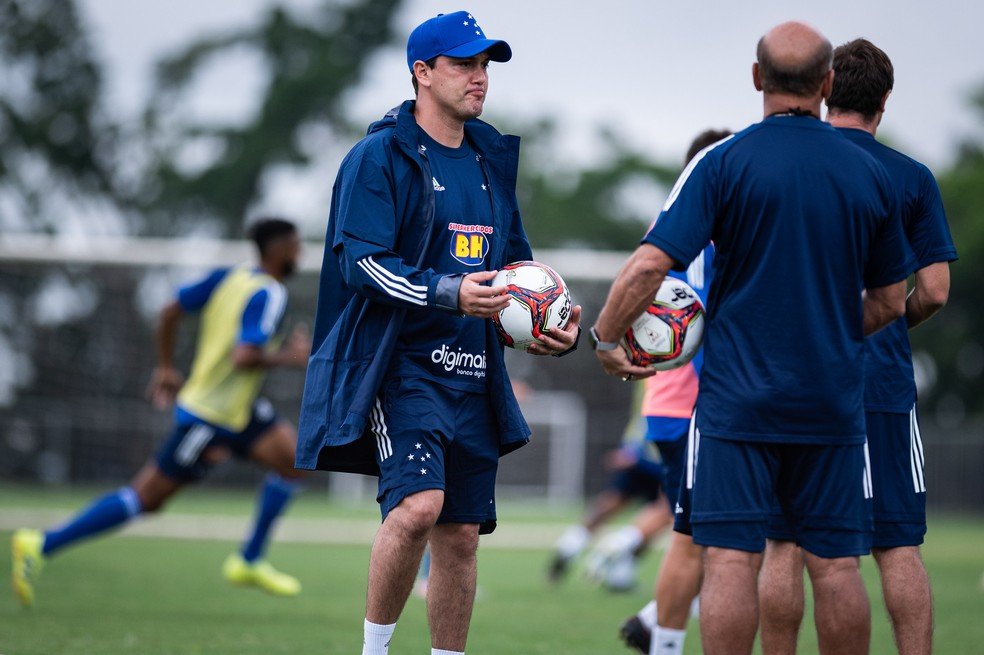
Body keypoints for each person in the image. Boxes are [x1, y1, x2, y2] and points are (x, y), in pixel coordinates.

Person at [591, 20, 914, 655]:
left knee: (733, 561)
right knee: (837, 566)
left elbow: (650, 266)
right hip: (831, 401)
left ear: (757, 78)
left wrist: (606, 339)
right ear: (826, 83)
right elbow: (893, 300)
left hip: (737, 402)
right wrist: (825, 336)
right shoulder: (869, 172)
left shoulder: (720, 161)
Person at [294, 11, 580, 655]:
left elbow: (517, 268)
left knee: (459, 534)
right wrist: (448, 291)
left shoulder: (489, 160)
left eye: (485, 65)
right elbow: (362, 263)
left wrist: (550, 320)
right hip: (402, 368)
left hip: (473, 374)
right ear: (422, 73)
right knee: (419, 509)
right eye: (464, 64)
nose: (479, 78)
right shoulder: (378, 157)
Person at [758, 38, 957, 655]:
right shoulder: (910, 177)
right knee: (896, 542)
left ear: (824, 87)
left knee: (784, 542)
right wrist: (885, 321)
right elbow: (935, 292)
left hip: (792, 381)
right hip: (882, 383)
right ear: (885, 102)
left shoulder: (786, 165)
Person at [11, 218, 311, 606]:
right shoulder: (269, 293)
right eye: (295, 245)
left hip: (239, 411)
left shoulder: (229, 277)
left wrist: (166, 366)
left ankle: (249, 560)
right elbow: (244, 357)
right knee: (145, 499)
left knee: (295, 462)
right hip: (209, 417)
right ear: (279, 249)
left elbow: (170, 310)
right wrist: (289, 357)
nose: (300, 252)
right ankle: (40, 543)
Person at [617, 129, 730, 655]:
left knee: (709, 536)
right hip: (694, 407)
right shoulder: (708, 233)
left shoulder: (667, 230)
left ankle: (652, 622)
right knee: (703, 539)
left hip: (666, 407)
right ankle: (659, 634)